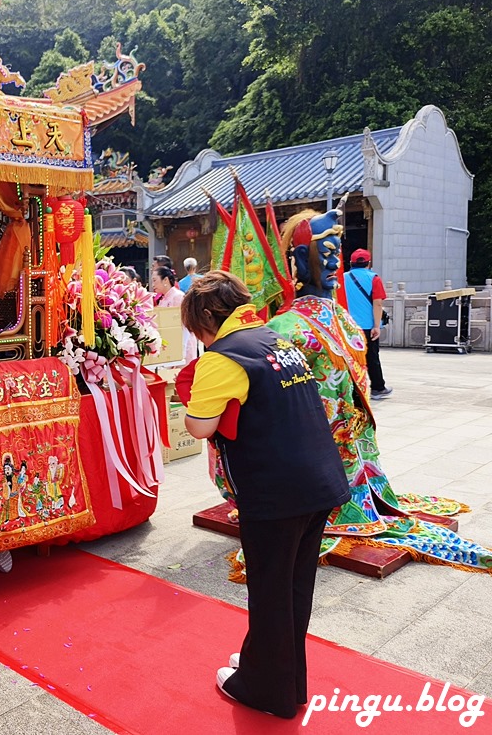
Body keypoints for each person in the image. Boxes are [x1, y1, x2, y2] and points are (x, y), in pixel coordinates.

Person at [266, 209, 492, 569]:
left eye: (335, 256)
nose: (331, 265)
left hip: (325, 439)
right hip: (337, 432)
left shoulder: (285, 325)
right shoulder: (318, 322)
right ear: (300, 262)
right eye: (324, 256)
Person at [178, 271, 350, 719]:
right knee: (294, 588)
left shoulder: (222, 357)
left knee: (272, 589)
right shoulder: (274, 339)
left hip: (276, 490)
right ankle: (281, 675)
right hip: (317, 482)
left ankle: (265, 690)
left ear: (203, 321)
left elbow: (199, 426)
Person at [344, 248, 392, 399]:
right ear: (368, 263)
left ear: (351, 263)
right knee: (371, 357)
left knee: (349, 358)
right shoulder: (374, 278)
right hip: (367, 326)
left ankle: (350, 390)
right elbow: (377, 303)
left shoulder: (341, 278)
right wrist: (377, 326)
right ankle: (378, 388)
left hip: (347, 325)